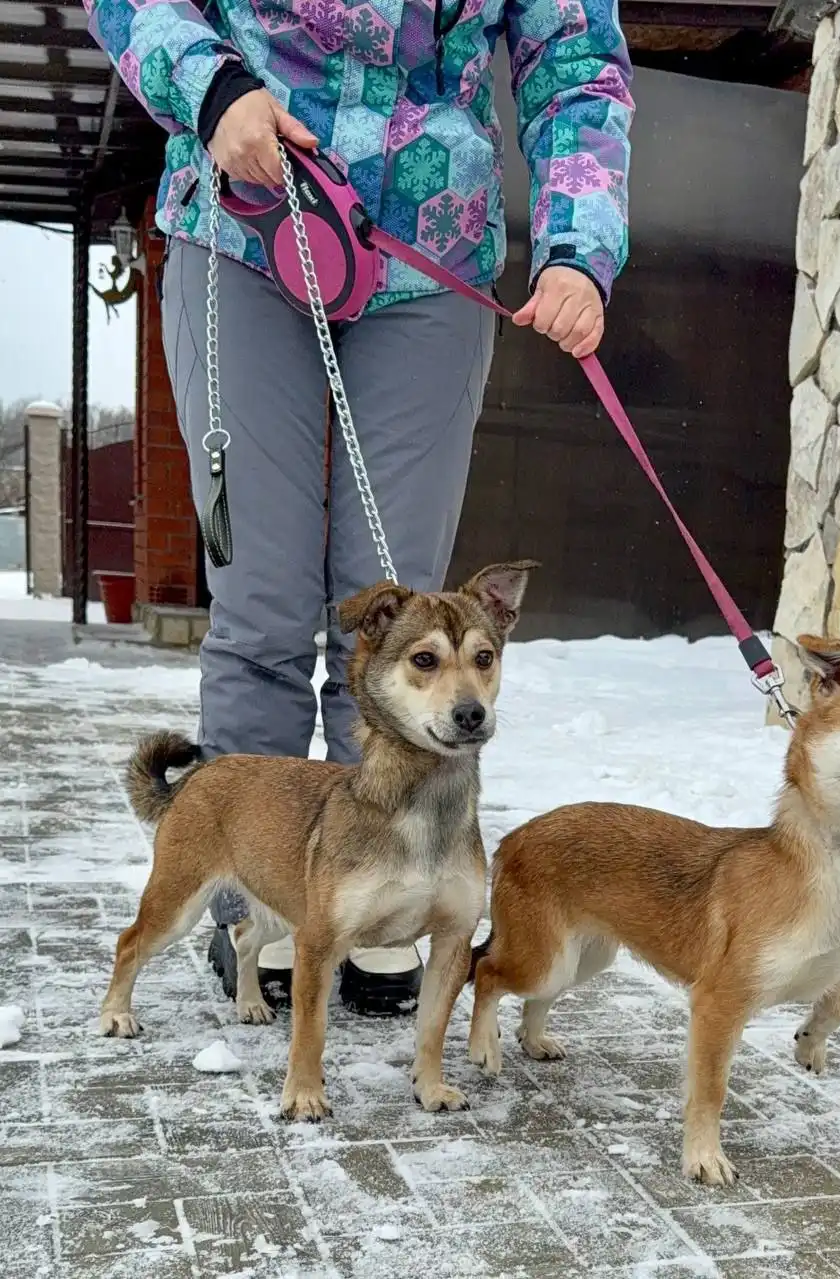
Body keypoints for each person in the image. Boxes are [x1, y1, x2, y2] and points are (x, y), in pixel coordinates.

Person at [87, 0, 633, 1016]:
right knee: (259, 604)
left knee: (394, 617)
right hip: (243, 213)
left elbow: (575, 52)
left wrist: (576, 244)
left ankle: (376, 903)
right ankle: (257, 907)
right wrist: (210, 88)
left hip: (429, 241)